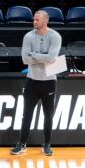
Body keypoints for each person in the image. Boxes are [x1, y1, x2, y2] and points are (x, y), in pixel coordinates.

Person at [11, 9, 62, 157]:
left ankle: (46, 144)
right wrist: (42, 57)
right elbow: (25, 59)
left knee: (48, 115)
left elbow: (52, 59)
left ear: (45, 21)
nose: (34, 22)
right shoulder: (28, 36)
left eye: (37, 20)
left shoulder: (55, 36)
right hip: (31, 81)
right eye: (34, 19)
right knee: (26, 115)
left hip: (49, 81)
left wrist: (33, 55)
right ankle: (22, 144)